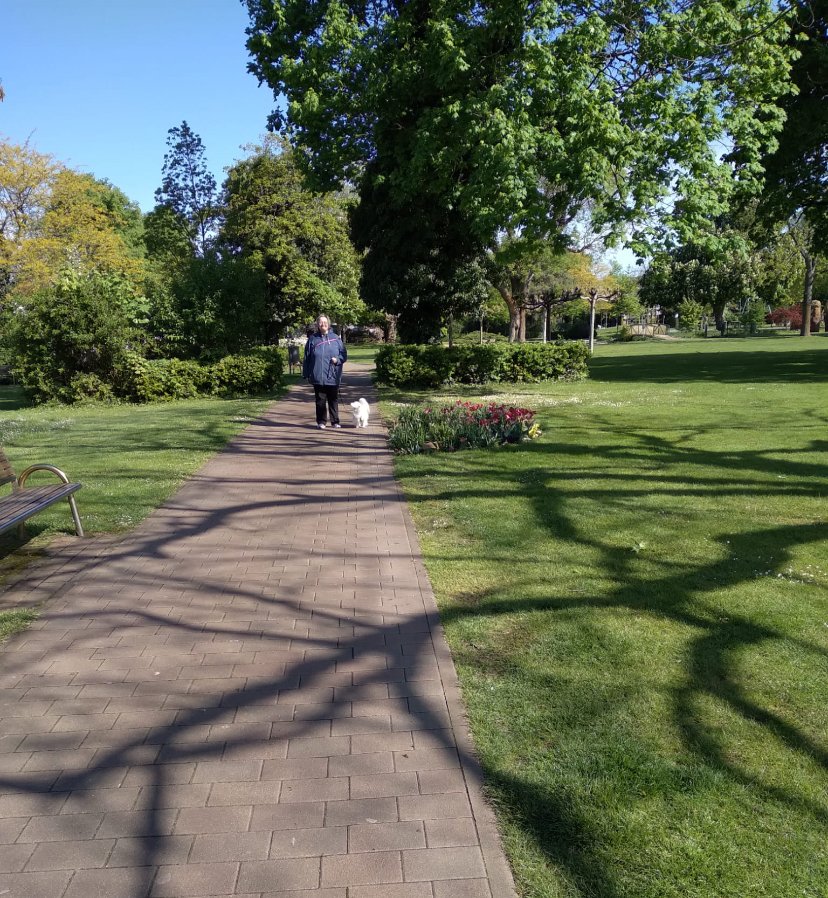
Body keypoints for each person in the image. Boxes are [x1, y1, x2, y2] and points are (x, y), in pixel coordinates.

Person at [302, 315, 347, 429]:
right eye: (321, 322)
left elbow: (343, 355)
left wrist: (337, 360)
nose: (323, 324)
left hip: (332, 375)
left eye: (325, 322)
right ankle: (321, 422)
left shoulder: (336, 338)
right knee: (320, 400)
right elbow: (307, 357)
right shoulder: (312, 339)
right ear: (317, 324)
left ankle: (335, 421)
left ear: (329, 323)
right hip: (318, 375)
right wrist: (306, 374)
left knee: (333, 400)